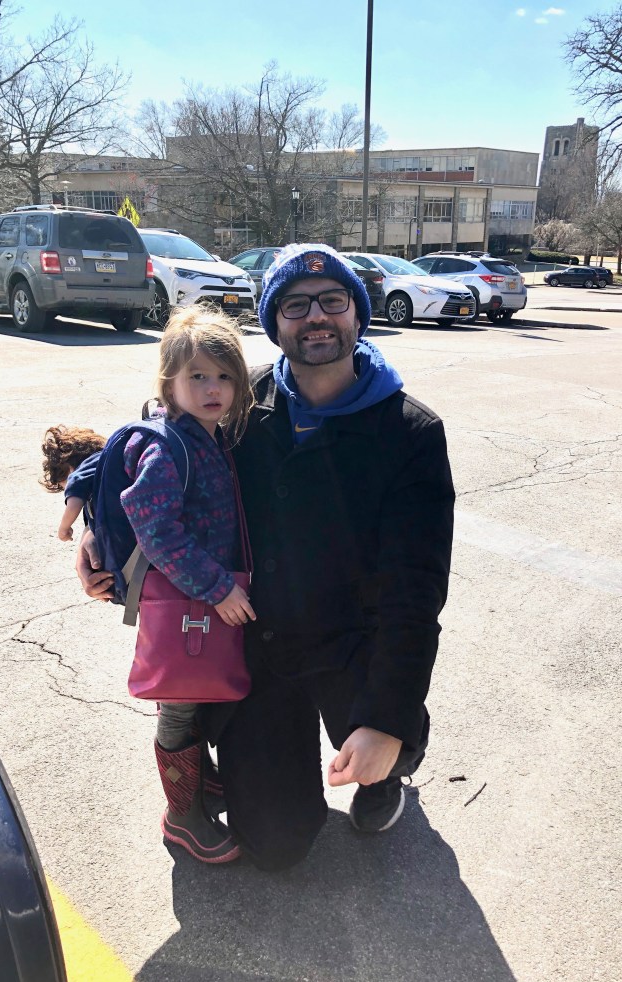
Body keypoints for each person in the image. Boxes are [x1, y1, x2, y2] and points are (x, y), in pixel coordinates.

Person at [79, 244, 455, 872]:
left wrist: (387, 721)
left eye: (332, 301)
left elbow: (416, 593)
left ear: (357, 315)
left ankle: (386, 771)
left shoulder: (410, 431)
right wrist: (97, 526)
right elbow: (146, 438)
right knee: (277, 846)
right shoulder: (239, 401)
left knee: (384, 736)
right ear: (274, 323)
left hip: (351, 643)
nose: (315, 317)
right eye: (294, 305)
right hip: (258, 640)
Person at [120, 307, 255, 864]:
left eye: (224, 376)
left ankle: (199, 779)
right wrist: (218, 587)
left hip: (200, 599)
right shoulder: (169, 446)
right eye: (197, 376)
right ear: (169, 385)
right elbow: (155, 531)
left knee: (193, 700)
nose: (213, 388)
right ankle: (182, 816)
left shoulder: (209, 436)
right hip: (187, 601)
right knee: (178, 704)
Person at [41, 425, 106, 541]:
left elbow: (75, 500)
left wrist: (63, 528)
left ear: (69, 469)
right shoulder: (105, 457)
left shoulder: (81, 473)